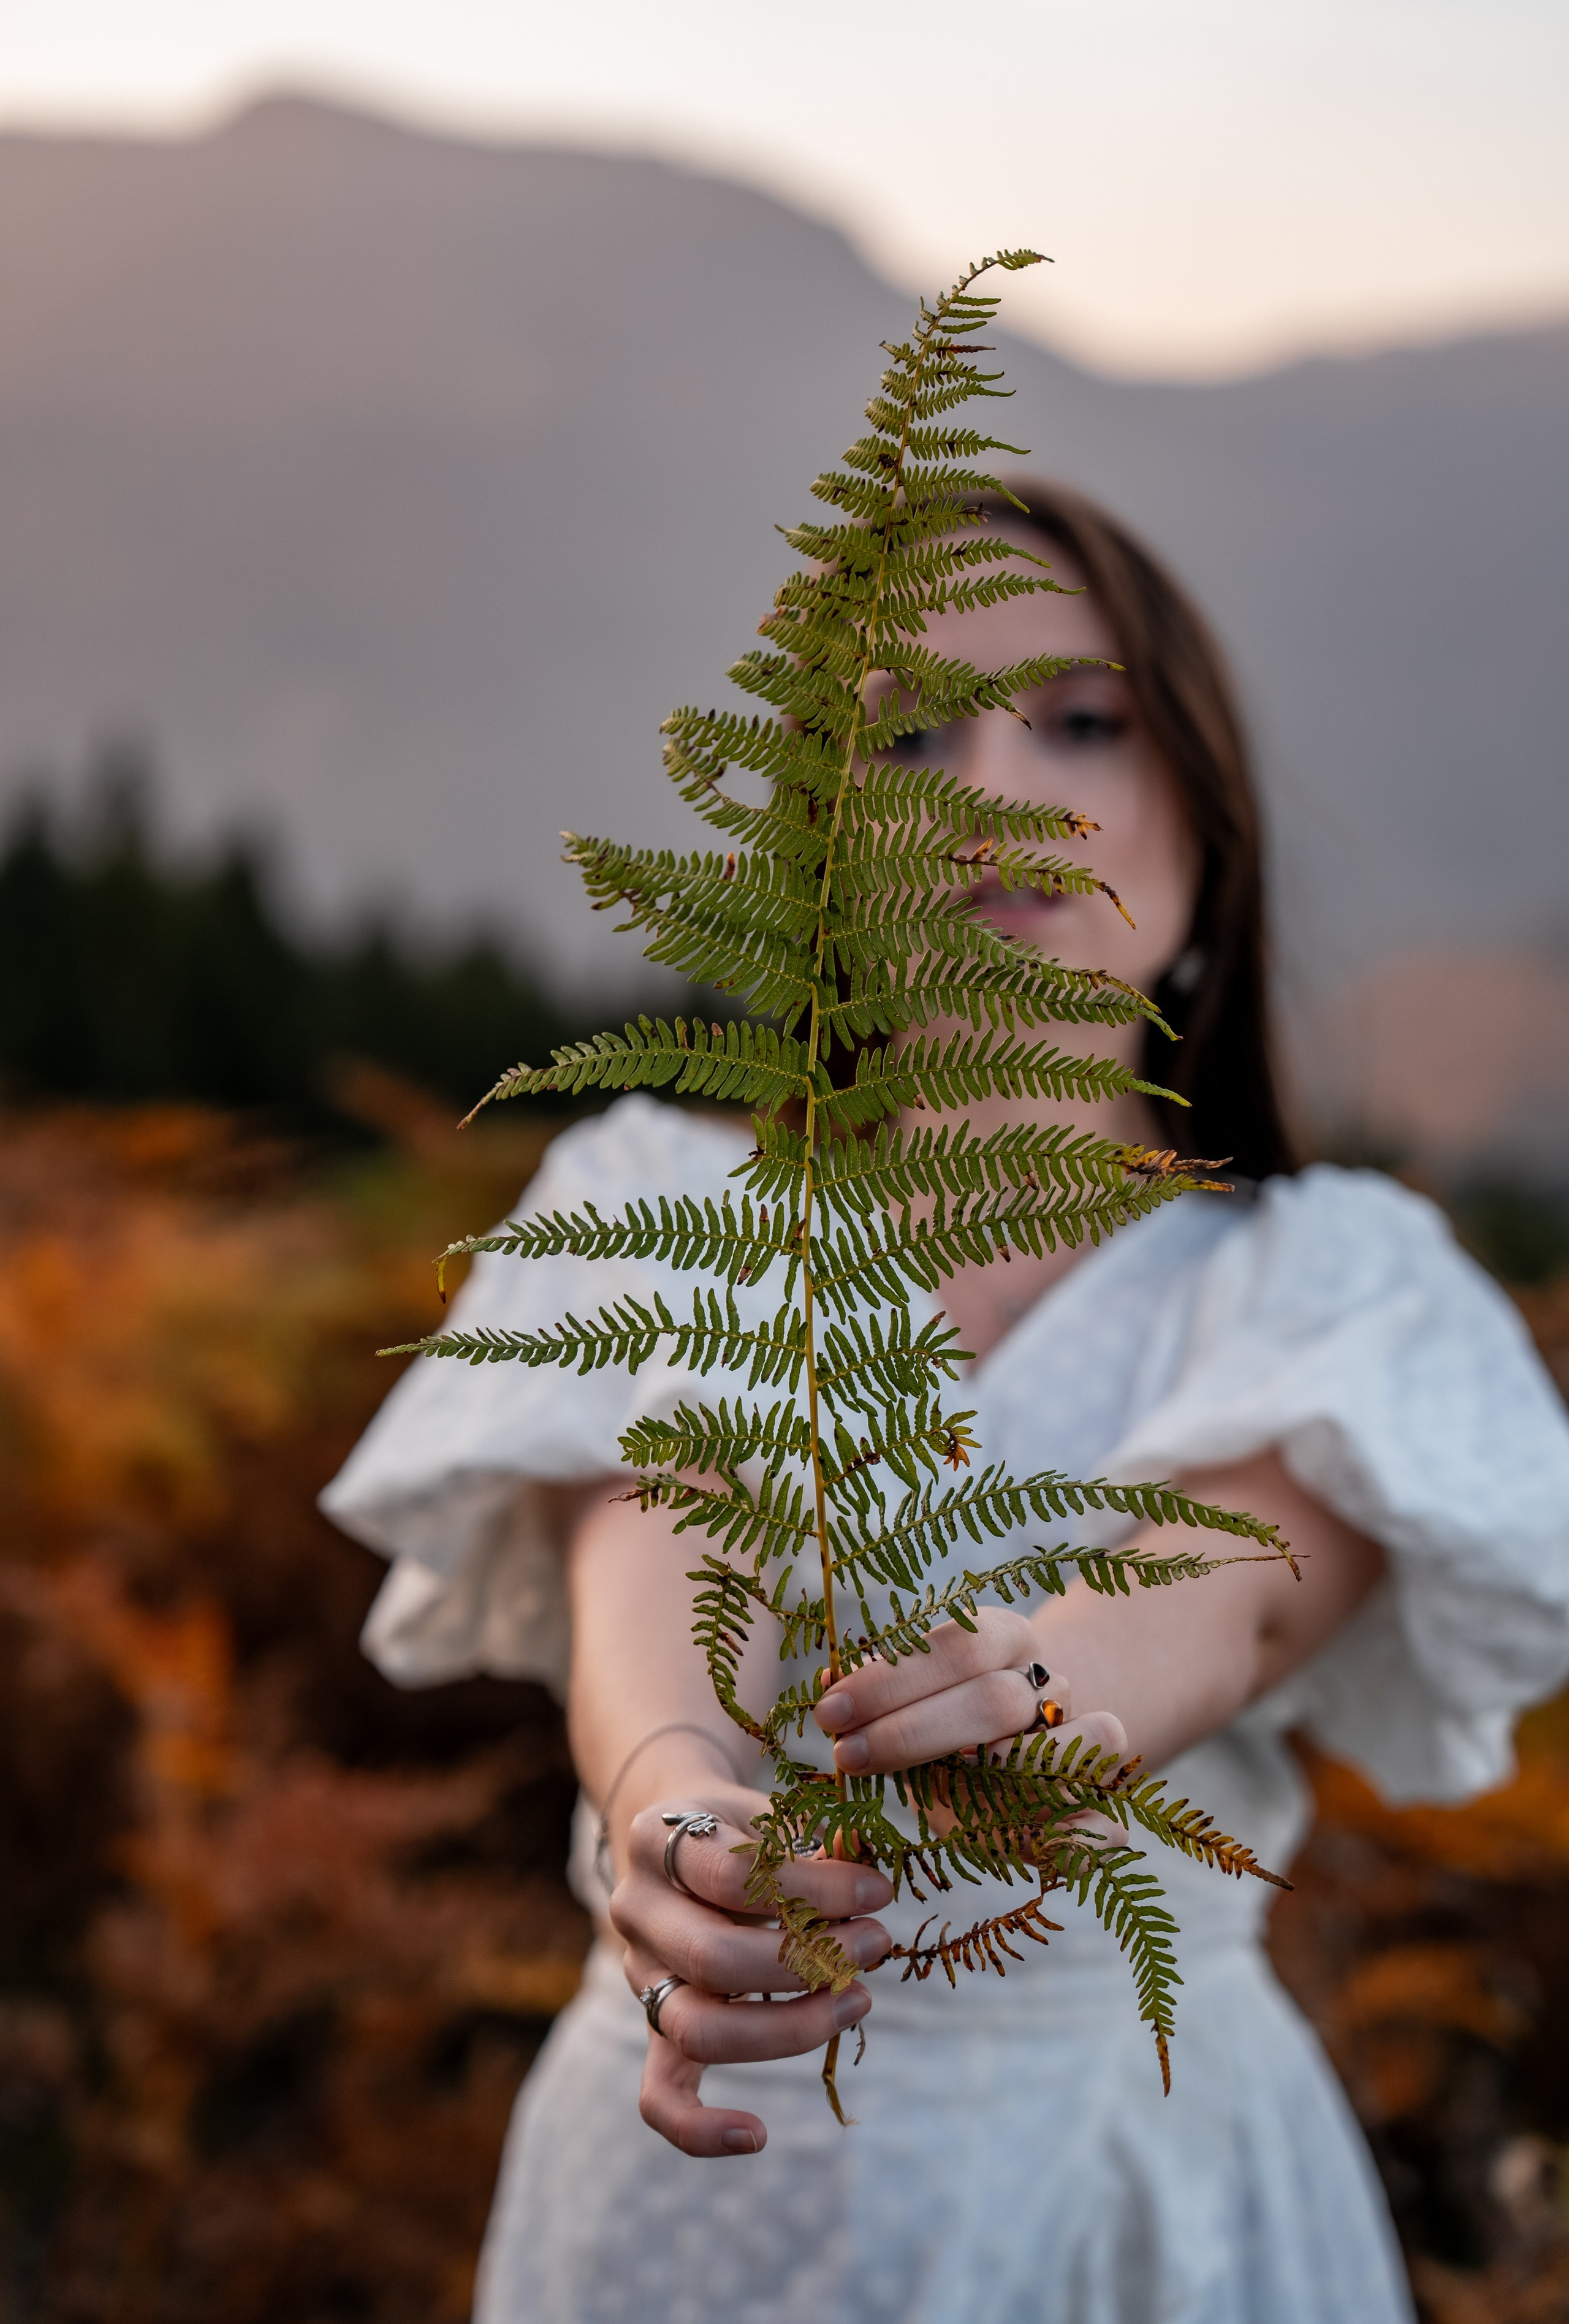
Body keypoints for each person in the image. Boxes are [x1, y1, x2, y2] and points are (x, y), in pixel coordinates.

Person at [321, 482, 1569, 2324]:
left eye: (1083, 719)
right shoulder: (668, 1206)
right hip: (689, 2198)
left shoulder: (1329, 1284)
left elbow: (1221, 1584)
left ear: (1208, 811)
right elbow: (656, 1537)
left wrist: (1030, 1708)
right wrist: (674, 1809)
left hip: (1134, 2193)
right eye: (910, 727)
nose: (996, 782)